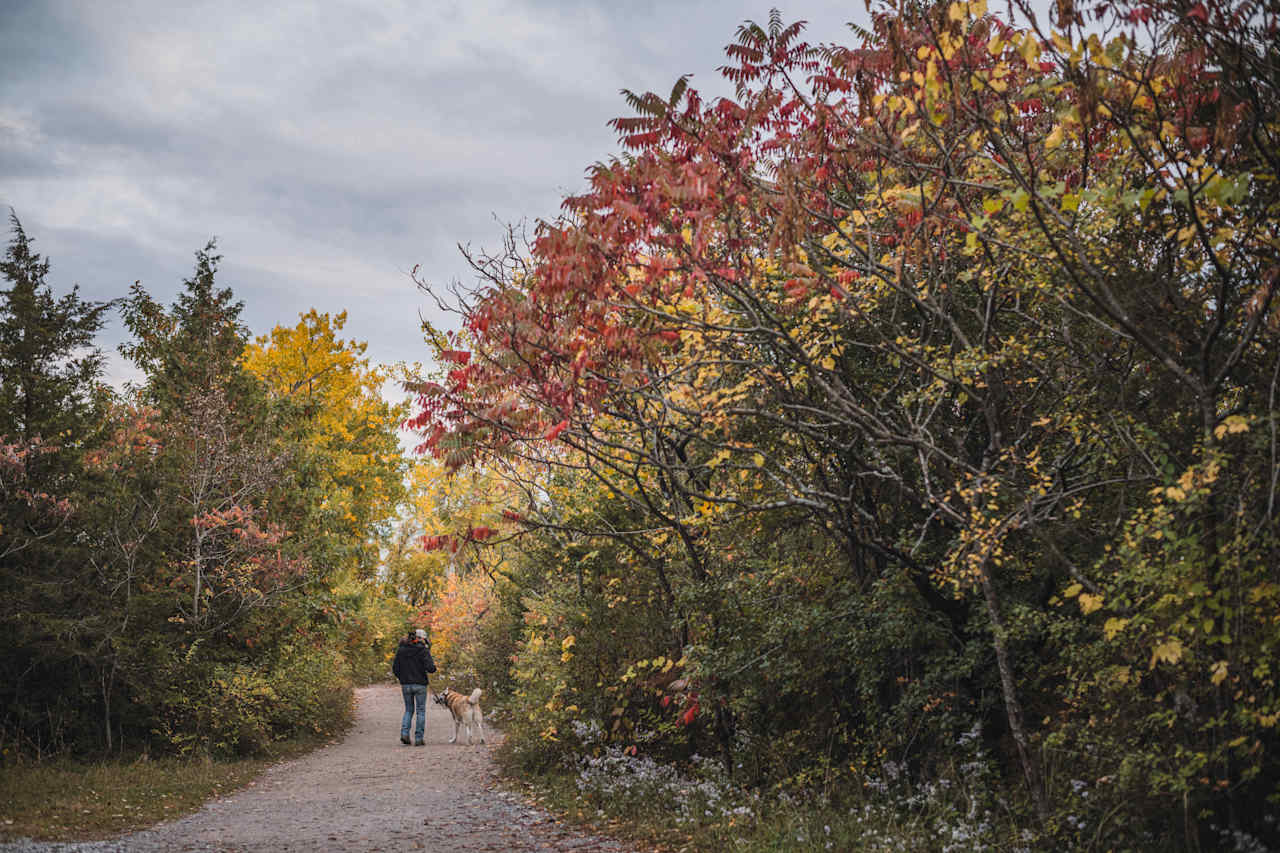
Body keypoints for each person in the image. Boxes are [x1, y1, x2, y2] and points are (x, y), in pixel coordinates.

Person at [392, 628, 436, 745]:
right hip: (420, 684)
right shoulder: (423, 651)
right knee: (420, 711)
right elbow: (431, 669)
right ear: (421, 639)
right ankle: (418, 738)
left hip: (406, 684)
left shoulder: (401, 650)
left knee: (408, 710)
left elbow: (395, 668)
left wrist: (402, 678)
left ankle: (404, 734)